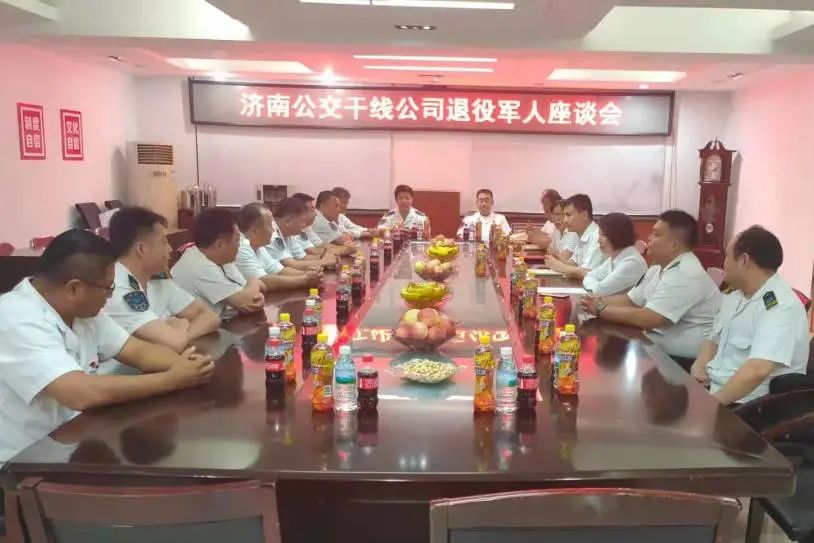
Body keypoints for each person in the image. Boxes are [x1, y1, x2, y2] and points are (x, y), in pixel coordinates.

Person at [0, 229, 214, 463]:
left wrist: (187, 365)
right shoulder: (16, 317)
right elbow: (80, 393)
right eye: (107, 288)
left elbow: (137, 350)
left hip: (75, 442)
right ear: (74, 289)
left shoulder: (83, 311)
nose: (110, 297)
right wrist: (172, 379)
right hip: (23, 462)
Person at [581, 210, 722, 362]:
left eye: (656, 234)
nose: (649, 238)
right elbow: (631, 300)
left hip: (684, 362)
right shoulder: (657, 268)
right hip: (655, 348)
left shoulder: (686, 272)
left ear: (674, 245)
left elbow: (648, 318)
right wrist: (595, 301)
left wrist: (600, 309)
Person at [690, 226, 810, 404]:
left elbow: (757, 370)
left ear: (744, 260)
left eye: (727, 256)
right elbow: (714, 338)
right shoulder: (735, 295)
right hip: (717, 391)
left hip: (751, 405)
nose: (724, 263)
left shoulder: (780, 305)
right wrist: (699, 366)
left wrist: (711, 405)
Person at [105, 207, 219, 354]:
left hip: (160, 364)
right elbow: (174, 343)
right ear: (142, 249)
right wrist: (180, 325)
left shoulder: (158, 281)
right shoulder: (117, 289)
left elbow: (210, 317)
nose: (170, 249)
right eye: (164, 242)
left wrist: (182, 331)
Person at [171, 208, 265, 319]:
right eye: (237, 240)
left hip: (217, 322)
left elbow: (249, 293)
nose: (239, 245)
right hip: (194, 327)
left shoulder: (222, 259)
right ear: (220, 244)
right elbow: (247, 300)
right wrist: (254, 281)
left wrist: (252, 292)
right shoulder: (200, 267)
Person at [235, 202, 322, 291]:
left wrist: (306, 273)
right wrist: (304, 279)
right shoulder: (241, 247)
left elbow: (279, 270)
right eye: (269, 225)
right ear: (254, 231)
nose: (273, 230)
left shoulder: (258, 246)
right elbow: (263, 281)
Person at [582, 212, 648, 296]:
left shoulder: (632, 262)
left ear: (618, 235)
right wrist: (595, 285)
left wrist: (595, 285)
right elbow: (589, 276)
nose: (598, 240)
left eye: (603, 235)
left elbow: (600, 291)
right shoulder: (616, 257)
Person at [544, 194, 607, 278]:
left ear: (584, 215)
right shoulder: (581, 234)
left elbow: (587, 273)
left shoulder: (597, 237)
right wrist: (558, 259)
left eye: (568, 215)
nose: (565, 220)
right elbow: (575, 263)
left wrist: (560, 266)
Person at [266, 197, 336, 270]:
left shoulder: (288, 232)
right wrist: (324, 262)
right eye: (302, 221)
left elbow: (303, 257)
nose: (304, 225)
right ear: (287, 221)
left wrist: (324, 257)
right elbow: (291, 264)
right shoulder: (271, 234)